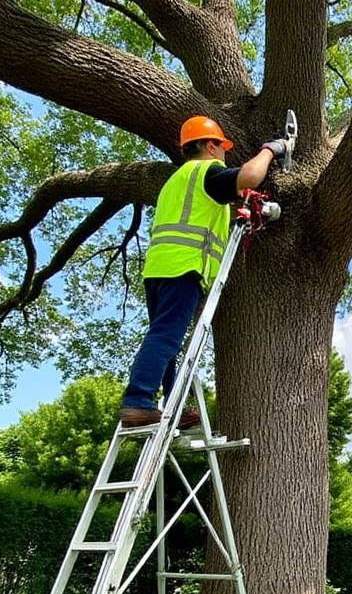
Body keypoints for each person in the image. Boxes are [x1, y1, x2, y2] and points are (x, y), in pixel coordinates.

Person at [119, 116, 289, 428]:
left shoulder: (177, 180)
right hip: (184, 267)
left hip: (159, 268)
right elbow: (250, 177)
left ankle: (171, 406)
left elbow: (208, 204)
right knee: (166, 337)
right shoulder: (207, 172)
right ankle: (138, 401)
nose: (225, 155)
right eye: (223, 148)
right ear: (211, 145)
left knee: (164, 337)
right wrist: (270, 150)